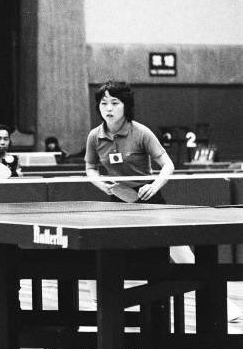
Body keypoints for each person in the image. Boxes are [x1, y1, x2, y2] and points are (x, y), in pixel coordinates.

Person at [84, 80, 241, 321]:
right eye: (104, 103)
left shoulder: (141, 132)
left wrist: (153, 184)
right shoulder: (95, 136)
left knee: (184, 257)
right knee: (102, 255)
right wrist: (99, 183)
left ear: (126, 105)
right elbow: (90, 167)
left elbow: (168, 164)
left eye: (115, 103)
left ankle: (226, 307)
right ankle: (101, 308)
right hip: (118, 204)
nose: (109, 108)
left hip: (150, 202)